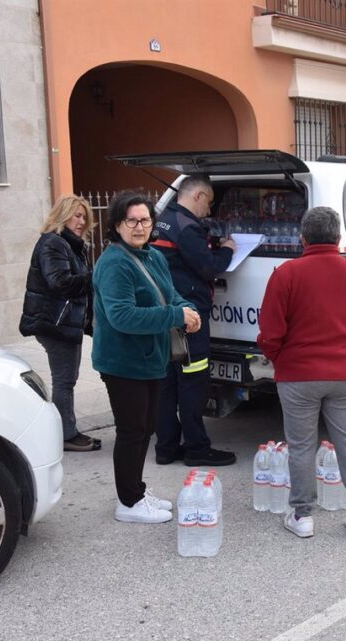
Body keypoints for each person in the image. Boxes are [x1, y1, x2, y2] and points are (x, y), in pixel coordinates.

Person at [257, 206, 346, 539]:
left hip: (297, 374)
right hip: (345, 371)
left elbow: (270, 330)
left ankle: (302, 516)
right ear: (338, 237)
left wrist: (278, 357)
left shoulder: (286, 274)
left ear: (303, 237)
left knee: (300, 445)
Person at [92, 191, 202, 524]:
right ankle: (128, 502)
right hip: (123, 363)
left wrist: (188, 309)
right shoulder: (114, 263)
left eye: (145, 220)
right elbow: (121, 316)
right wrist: (174, 315)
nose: (140, 227)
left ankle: (136, 491)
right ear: (116, 225)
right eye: (132, 221)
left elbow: (172, 295)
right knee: (131, 431)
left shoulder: (152, 255)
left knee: (146, 429)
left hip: (151, 359)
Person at [152, 175, 238, 467]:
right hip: (190, 317)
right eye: (210, 203)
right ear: (198, 196)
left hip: (165, 313)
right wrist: (227, 249)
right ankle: (197, 449)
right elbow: (209, 267)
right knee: (193, 382)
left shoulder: (164, 218)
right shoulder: (188, 228)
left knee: (167, 383)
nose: (210, 211)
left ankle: (165, 447)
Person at [19, 195, 100, 452]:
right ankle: (66, 434)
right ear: (62, 215)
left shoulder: (70, 244)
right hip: (55, 323)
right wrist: (95, 276)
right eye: (76, 215)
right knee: (65, 381)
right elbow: (60, 282)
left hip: (62, 322)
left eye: (84, 216)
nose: (81, 221)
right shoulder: (54, 243)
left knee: (66, 379)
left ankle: (66, 430)